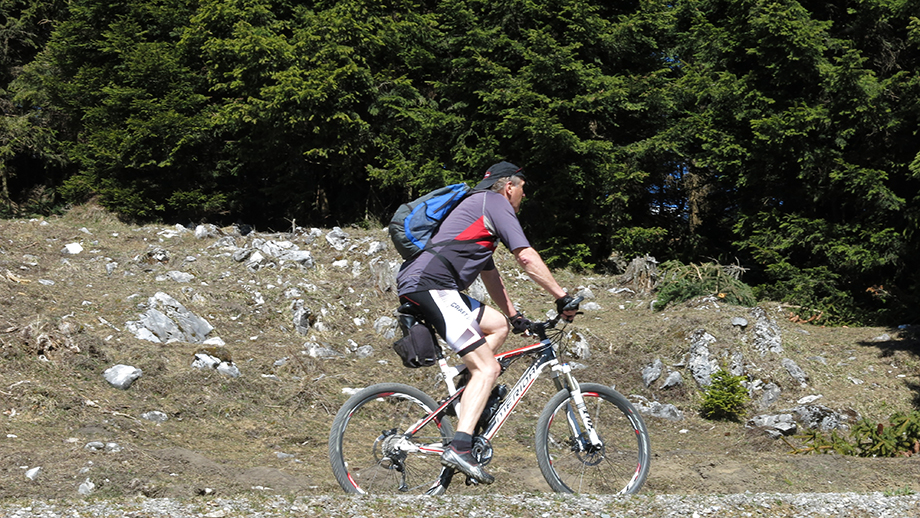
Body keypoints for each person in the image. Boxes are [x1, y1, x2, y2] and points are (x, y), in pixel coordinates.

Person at [396, 161, 579, 484]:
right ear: (509, 186)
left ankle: (466, 390)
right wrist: (561, 296)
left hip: (428, 283)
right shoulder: (494, 203)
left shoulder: (476, 210)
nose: (524, 195)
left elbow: (489, 273)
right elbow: (525, 256)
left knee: (497, 326)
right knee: (489, 368)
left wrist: (513, 315)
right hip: (432, 285)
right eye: (523, 188)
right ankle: (461, 448)